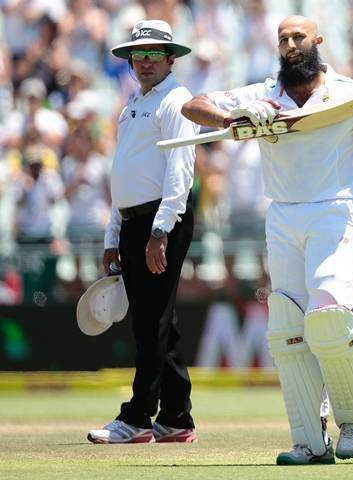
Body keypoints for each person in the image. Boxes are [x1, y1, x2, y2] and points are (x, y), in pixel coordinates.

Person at [181, 15, 353, 464]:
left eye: (299, 37)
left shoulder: (350, 94)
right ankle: (309, 441)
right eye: (283, 39)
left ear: (318, 40)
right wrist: (234, 115)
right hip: (280, 215)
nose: (291, 45)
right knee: (287, 330)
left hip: (333, 211)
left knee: (329, 317)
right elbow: (193, 105)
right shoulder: (262, 94)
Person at [87, 19, 199, 443]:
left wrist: (161, 230)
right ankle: (176, 417)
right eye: (139, 55)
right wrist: (112, 236)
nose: (146, 62)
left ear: (171, 58)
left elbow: (180, 170)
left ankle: (136, 418)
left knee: (150, 322)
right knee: (160, 323)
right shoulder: (132, 104)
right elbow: (124, 174)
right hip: (136, 221)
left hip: (160, 220)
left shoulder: (177, 100)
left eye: (154, 54)